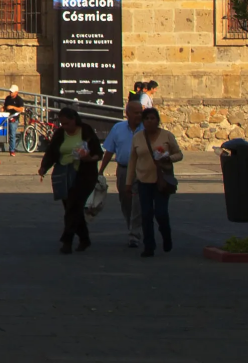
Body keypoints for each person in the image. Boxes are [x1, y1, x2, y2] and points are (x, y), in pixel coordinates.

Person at [37, 106, 103, 254]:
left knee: (74, 205)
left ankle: (67, 241)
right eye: (62, 124)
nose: (65, 127)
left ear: (74, 120)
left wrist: (88, 158)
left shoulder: (85, 130)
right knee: (72, 208)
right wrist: (44, 167)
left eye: (67, 123)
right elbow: (52, 152)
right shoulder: (60, 134)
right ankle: (84, 239)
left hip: (84, 174)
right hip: (64, 173)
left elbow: (98, 153)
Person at [131, 107, 183, 256]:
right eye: (146, 118)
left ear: (157, 120)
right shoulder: (138, 137)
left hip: (162, 180)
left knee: (160, 212)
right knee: (146, 214)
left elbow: (179, 154)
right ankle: (149, 245)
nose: (149, 121)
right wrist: (129, 182)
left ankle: (166, 236)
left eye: (152, 118)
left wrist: (168, 158)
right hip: (143, 180)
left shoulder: (167, 136)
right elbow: (133, 160)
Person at [99, 96, 145, 248]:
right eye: (136, 113)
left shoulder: (146, 129)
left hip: (142, 170)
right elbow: (109, 151)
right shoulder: (118, 128)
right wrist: (101, 171)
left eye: (141, 112)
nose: (139, 115)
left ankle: (135, 234)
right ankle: (131, 226)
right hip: (124, 170)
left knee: (138, 202)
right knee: (126, 202)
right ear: (128, 113)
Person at [1, 86, 30, 153]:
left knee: (12, 134)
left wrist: (13, 107)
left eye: (12, 91)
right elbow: (5, 106)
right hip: (6, 116)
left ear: (16, 92)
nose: (10, 92)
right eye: (10, 91)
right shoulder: (7, 98)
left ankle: (12, 149)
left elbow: (21, 109)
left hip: (14, 118)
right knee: (3, 131)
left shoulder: (19, 99)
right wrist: (3, 108)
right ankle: (0, 145)